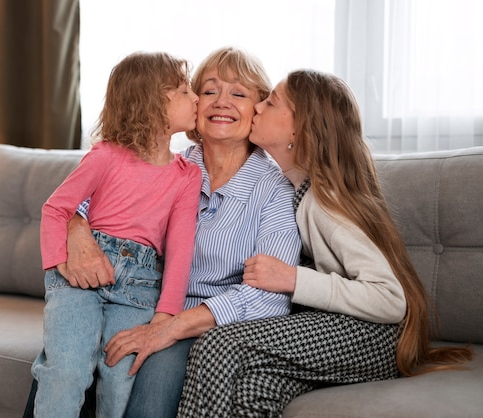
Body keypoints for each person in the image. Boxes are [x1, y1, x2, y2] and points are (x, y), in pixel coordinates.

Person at [176, 69, 474, 417]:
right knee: (252, 386)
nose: (257, 108)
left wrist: (293, 279)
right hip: (338, 328)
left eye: (270, 102)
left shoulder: (325, 202)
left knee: (218, 345)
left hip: (373, 336)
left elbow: (391, 299)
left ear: (297, 130)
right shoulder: (290, 187)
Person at [24, 47, 303, 418]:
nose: (221, 102)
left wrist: (171, 325)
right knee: (60, 366)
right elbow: (85, 204)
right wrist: (77, 231)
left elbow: (269, 299)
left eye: (238, 93)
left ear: (258, 109)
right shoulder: (162, 160)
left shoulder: (274, 190)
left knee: (138, 376)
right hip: (135, 298)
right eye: (208, 90)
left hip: (196, 319)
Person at [31, 51, 202, 418]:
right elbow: (55, 209)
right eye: (186, 91)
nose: (197, 99)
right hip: (79, 281)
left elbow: (180, 249)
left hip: (139, 289)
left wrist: (165, 314)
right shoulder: (106, 155)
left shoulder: (188, 176)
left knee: (120, 376)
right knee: (66, 371)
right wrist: (60, 264)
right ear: (154, 102)